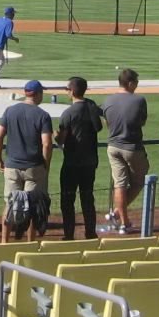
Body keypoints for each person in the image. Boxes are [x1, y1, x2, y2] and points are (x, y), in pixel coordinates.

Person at [0, 79, 53, 243]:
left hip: (12, 165)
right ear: (38, 94)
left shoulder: (10, 111)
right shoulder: (42, 115)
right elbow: (47, 144)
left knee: (10, 204)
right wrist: (46, 164)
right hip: (34, 167)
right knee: (33, 206)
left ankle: (4, 243)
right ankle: (30, 243)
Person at [55, 76, 102, 240]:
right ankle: (90, 232)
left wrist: (56, 136)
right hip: (90, 161)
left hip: (72, 162)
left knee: (68, 199)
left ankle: (69, 234)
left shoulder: (68, 113)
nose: (66, 92)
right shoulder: (91, 106)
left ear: (73, 91)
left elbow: (61, 139)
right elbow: (99, 127)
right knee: (88, 198)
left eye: (67, 89)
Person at [102, 68, 148, 235]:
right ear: (130, 83)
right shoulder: (139, 100)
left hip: (113, 146)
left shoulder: (108, 100)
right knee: (139, 182)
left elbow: (107, 122)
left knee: (119, 184)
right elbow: (141, 122)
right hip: (132, 147)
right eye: (135, 83)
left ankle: (121, 219)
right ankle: (119, 217)